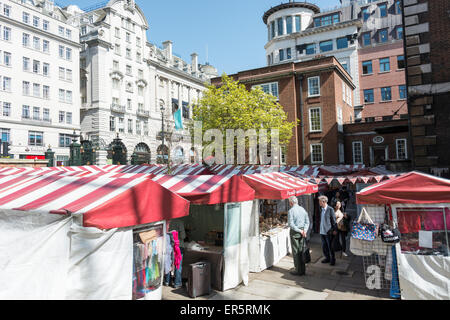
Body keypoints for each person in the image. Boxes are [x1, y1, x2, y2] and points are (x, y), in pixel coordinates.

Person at [287, 195, 310, 276]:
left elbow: (291, 224)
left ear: (290, 203)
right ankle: (302, 270)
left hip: (296, 232)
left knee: (296, 252)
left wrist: (300, 231)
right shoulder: (302, 209)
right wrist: (305, 231)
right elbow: (307, 221)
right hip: (302, 231)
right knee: (301, 250)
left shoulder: (291, 211)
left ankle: (298, 270)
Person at [318, 195, 337, 266]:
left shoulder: (330, 209)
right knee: (324, 246)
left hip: (328, 231)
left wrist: (335, 229)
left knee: (330, 246)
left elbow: (334, 221)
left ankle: (333, 259)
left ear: (324, 202)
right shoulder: (321, 209)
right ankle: (327, 258)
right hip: (322, 231)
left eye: (320, 201)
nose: (319, 203)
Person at [168, 218, 186, 289]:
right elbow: (183, 236)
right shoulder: (179, 222)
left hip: (169, 245)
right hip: (178, 246)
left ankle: (167, 281)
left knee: (169, 263)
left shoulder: (168, 221)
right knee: (178, 265)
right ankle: (177, 283)